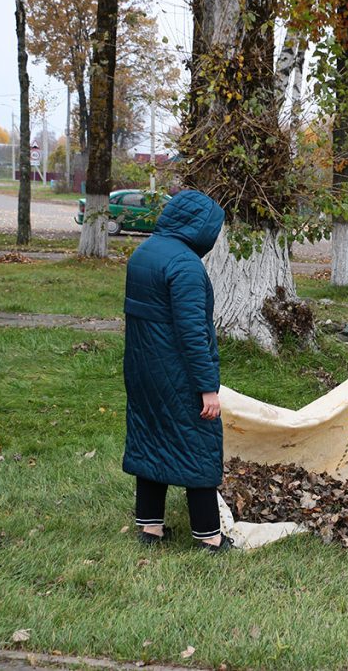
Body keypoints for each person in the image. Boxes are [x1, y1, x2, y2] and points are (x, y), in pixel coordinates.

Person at [122, 189, 233, 553]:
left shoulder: (144, 252)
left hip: (142, 369)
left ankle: (150, 527)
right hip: (177, 374)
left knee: (150, 437)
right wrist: (207, 387)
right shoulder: (185, 266)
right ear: (199, 227)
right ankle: (209, 537)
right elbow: (192, 333)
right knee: (198, 443)